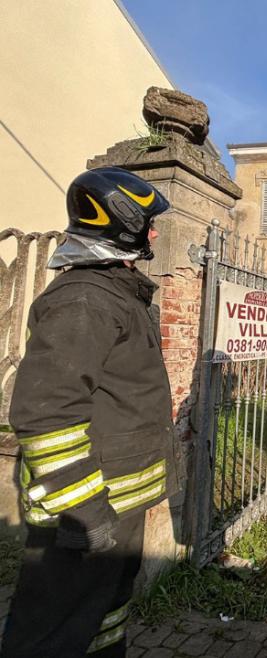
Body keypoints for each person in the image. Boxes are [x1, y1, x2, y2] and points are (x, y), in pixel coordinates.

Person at [2, 167, 176, 657]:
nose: (156, 232)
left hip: (114, 508)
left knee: (102, 620)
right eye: (148, 221)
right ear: (120, 223)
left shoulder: (114, 294)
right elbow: (45, 415)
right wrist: (87, 514)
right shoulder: (85, 300)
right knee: (52, 636)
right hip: (87, 517)